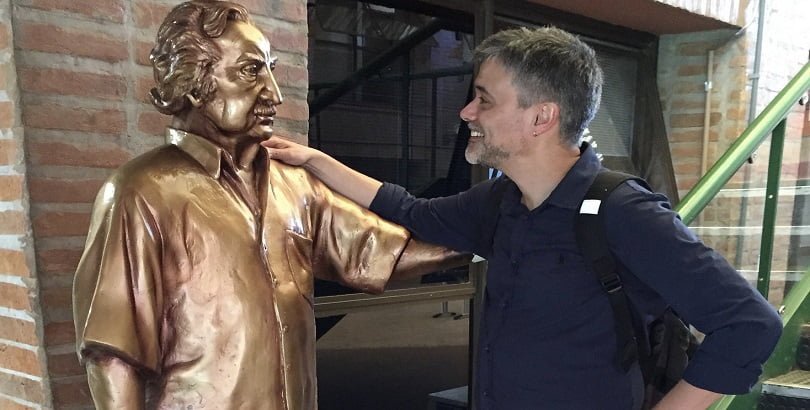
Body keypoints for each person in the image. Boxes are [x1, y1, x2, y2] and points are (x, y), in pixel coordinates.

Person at [264, 26, 783, 409]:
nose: (467, 112)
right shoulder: (501, 202)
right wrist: (315, 161)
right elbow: (410, 210)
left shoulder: (623, 211)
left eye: (484, 100)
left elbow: (750, 325)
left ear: (541, 117)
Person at [72, 2, 468, 408]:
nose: (274, 95)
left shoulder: (293, 184)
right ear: (193, 83)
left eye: (270, 70)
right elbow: (113, 355)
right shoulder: (142, 192)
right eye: (250, 71)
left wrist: (486, 232)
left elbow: (377, 250)